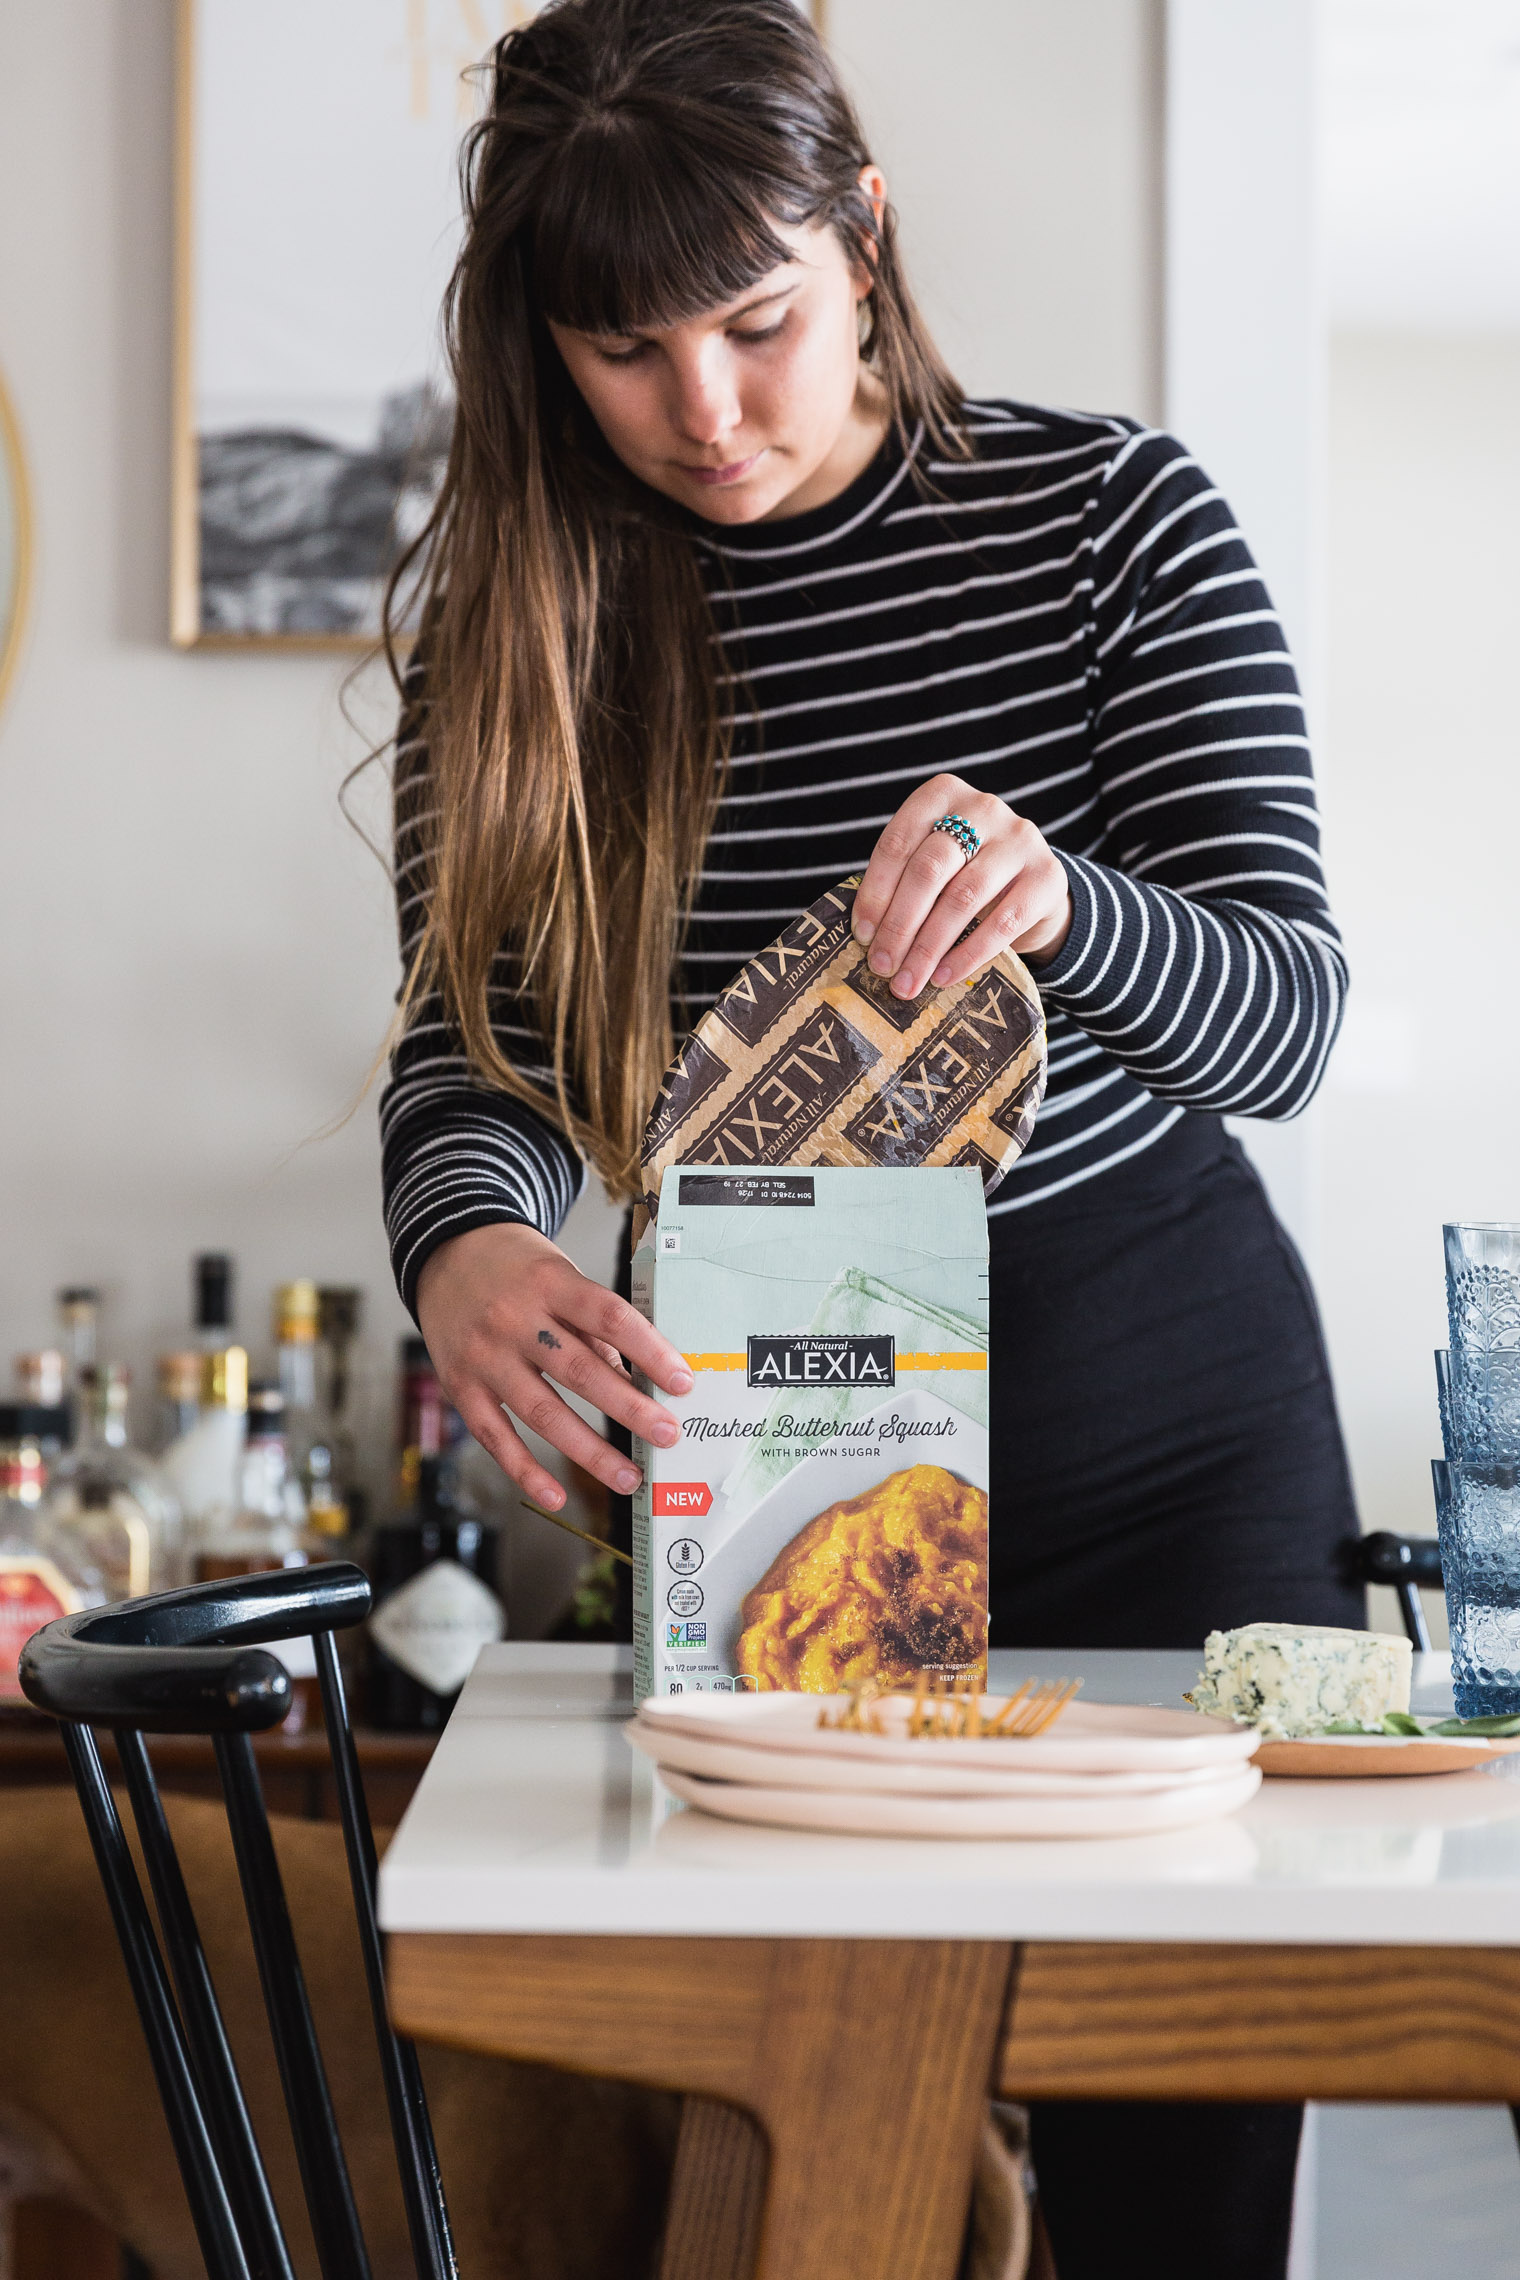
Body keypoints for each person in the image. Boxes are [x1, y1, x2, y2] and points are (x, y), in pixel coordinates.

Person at [377, 3, 1357, 2271]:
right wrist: (470, 1244)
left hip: (1168, 1451)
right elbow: (479, 1057)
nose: (704, 414)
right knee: (807, 2150)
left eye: (759, 322)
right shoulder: (515, 643)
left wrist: (1065, 903)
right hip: (785, 1467)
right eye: (621, 349)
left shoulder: (1112, 522)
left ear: (867, 239)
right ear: (538, 345)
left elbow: (1286, 1018)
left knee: (1169, 2200)